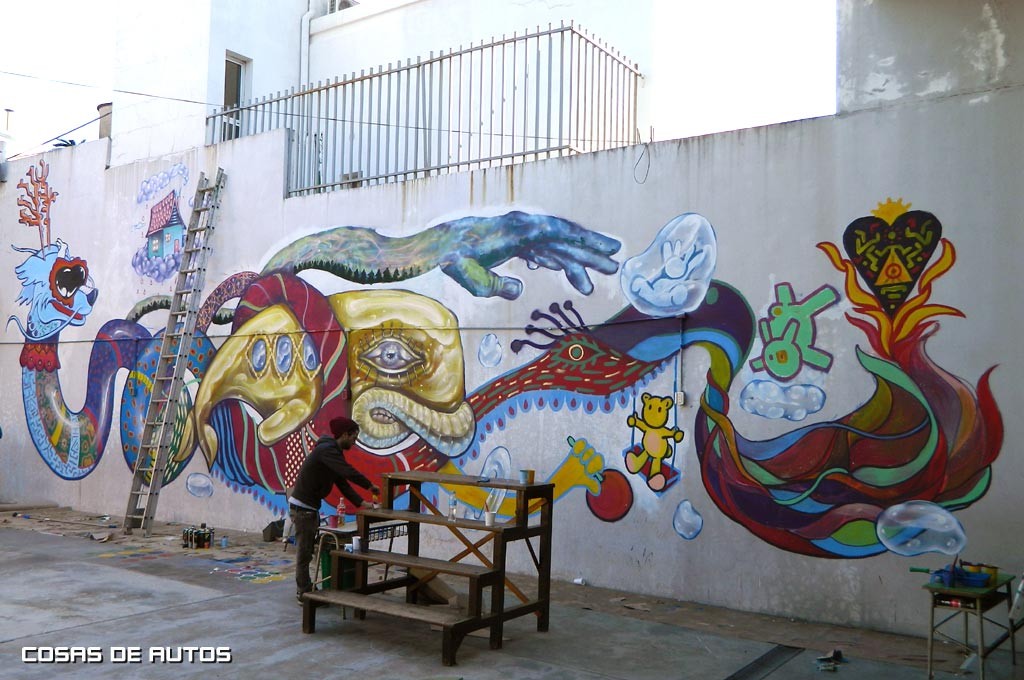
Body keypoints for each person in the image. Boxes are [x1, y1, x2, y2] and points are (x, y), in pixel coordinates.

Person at [289, 415, 379, 604]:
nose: (354, 442)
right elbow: (347, 471)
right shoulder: (327, 451)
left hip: (309, 508)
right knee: (304, 553)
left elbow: (342, 482)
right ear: (344, 434)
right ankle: (304, 594)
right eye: (353, 438)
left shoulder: (331, 453)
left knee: (307, 551)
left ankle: (307, 590)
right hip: (304, 509)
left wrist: (362, 503)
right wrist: (369, 485)